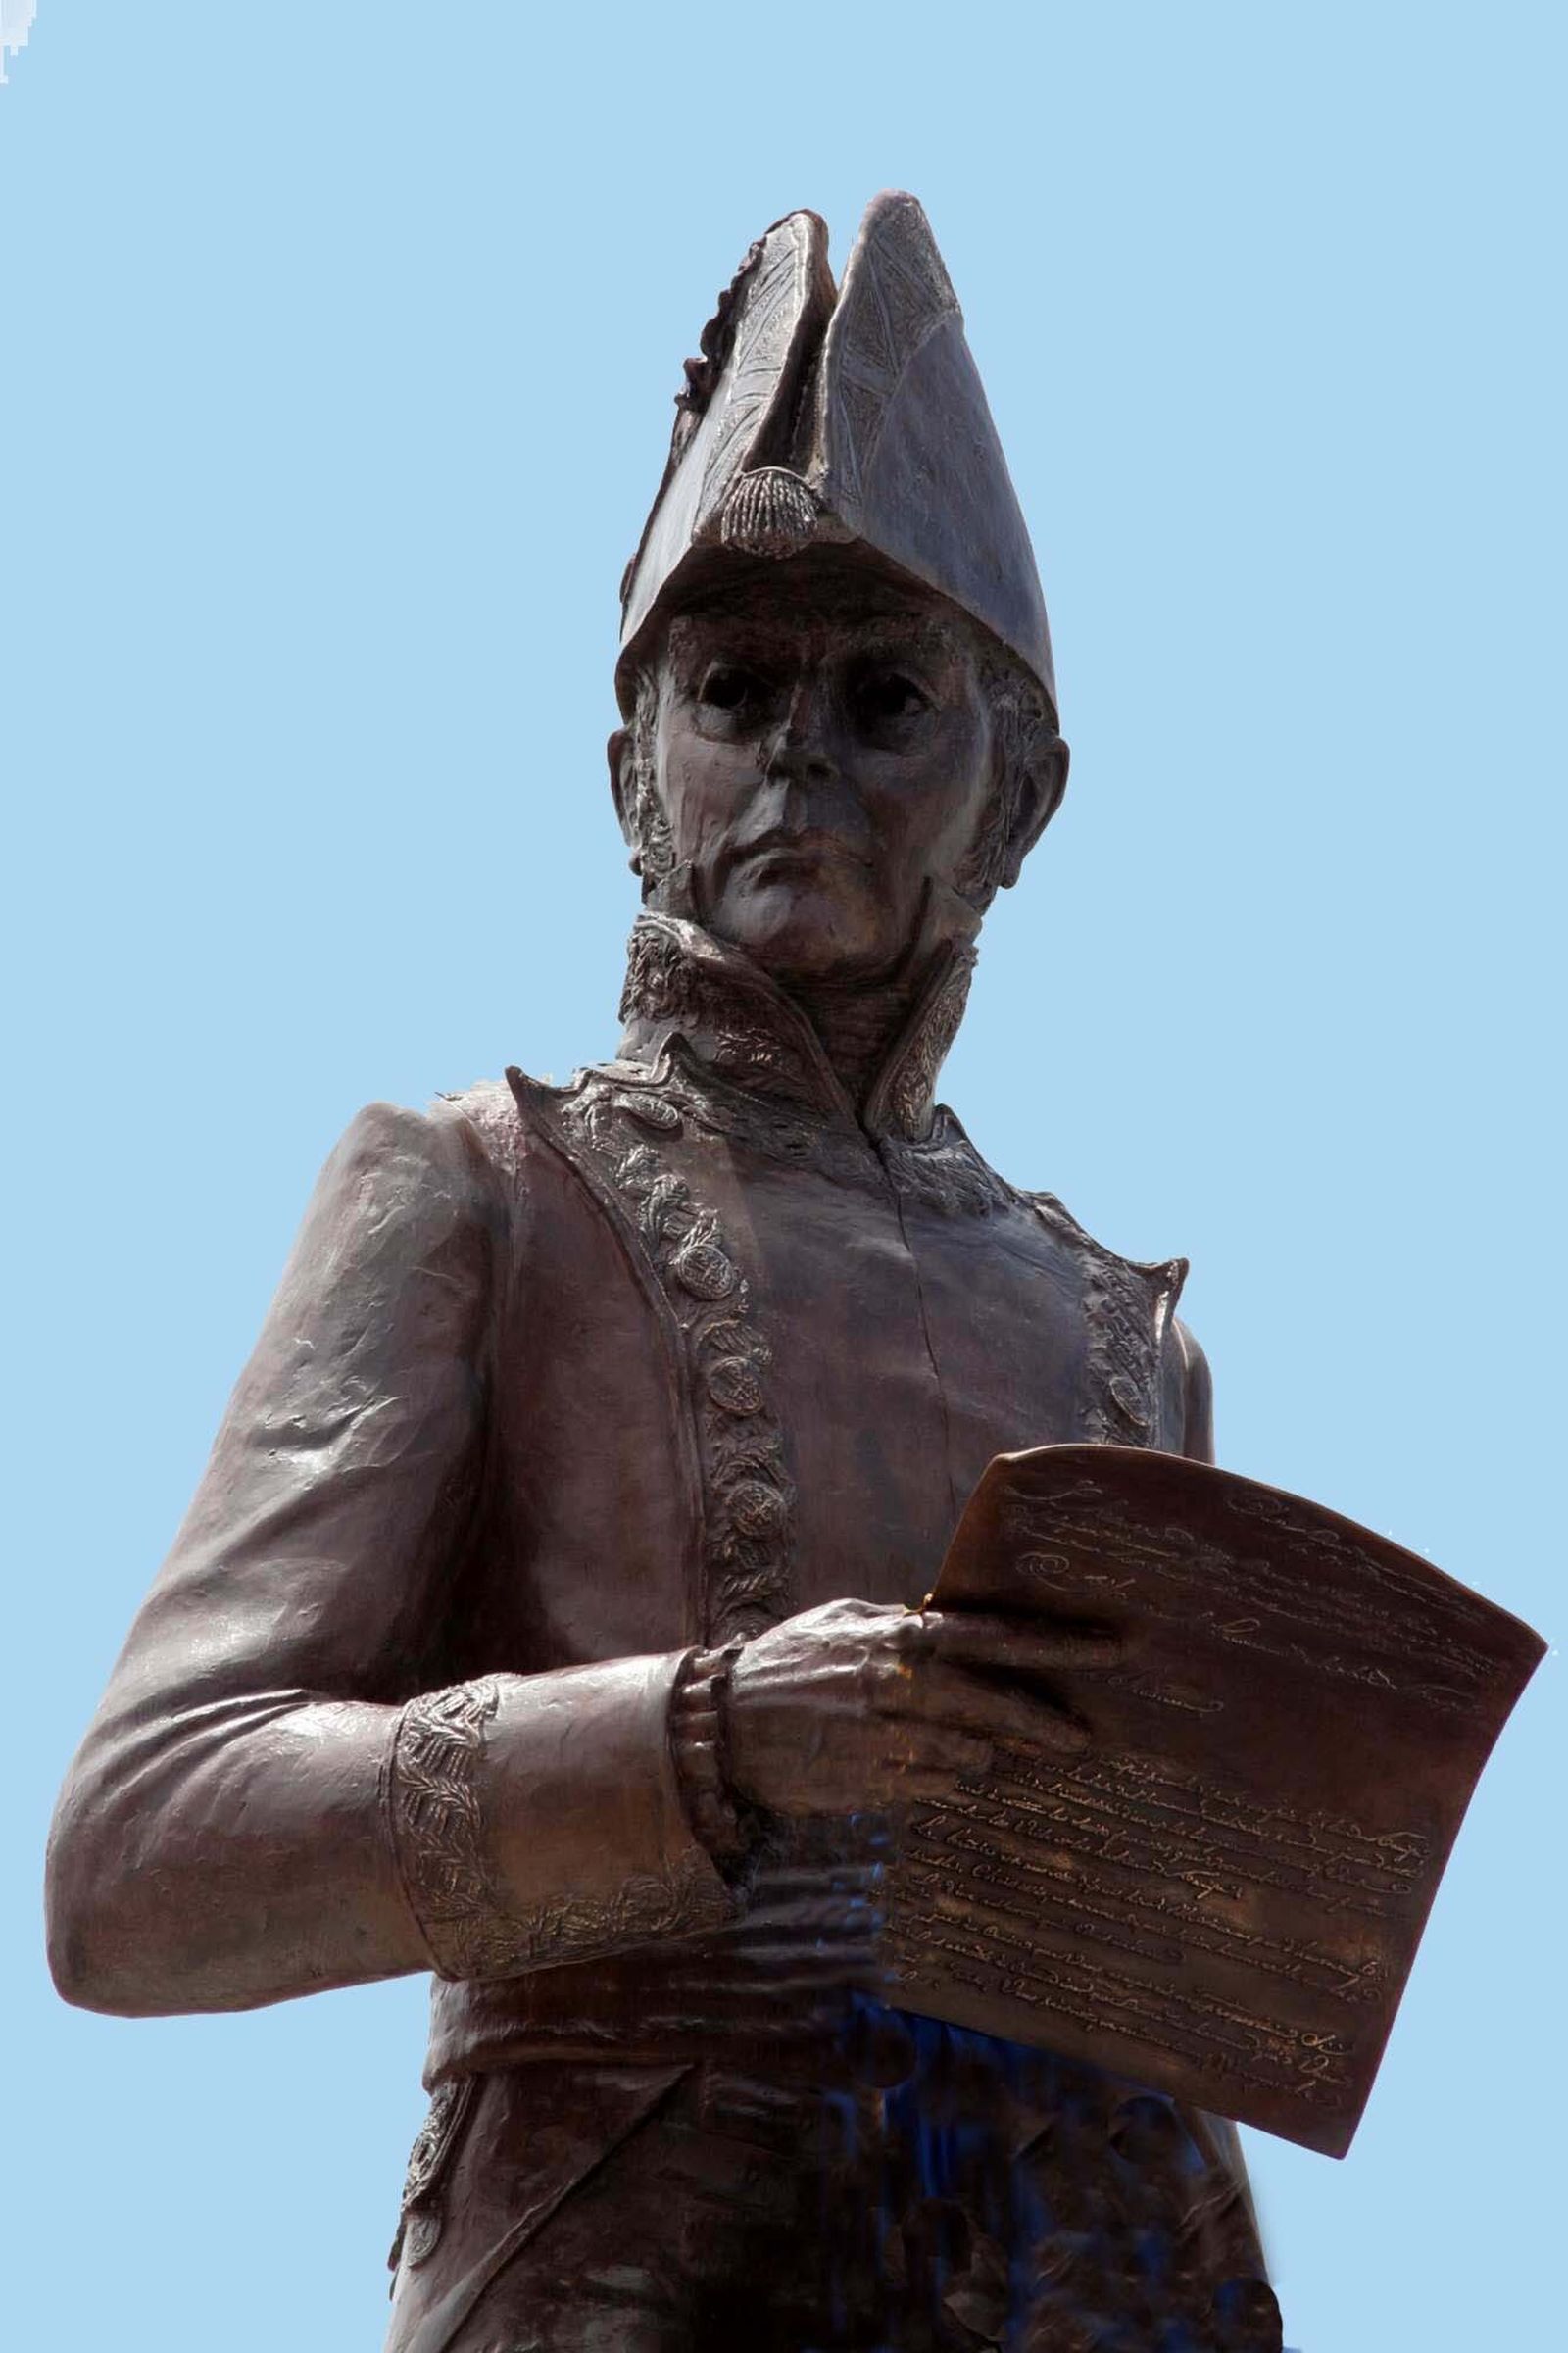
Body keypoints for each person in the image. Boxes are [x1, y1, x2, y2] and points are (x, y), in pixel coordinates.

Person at [47, 195, 1281, 2352]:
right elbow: (139, 1849)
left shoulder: (1123, 1345)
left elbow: (1158, 2021)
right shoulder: (476, 1188)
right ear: (633, 778)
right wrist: (708, 1737)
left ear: (1021, 799)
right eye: (731, 691)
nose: (795, 752)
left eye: (883, 696)